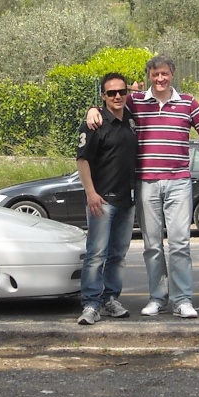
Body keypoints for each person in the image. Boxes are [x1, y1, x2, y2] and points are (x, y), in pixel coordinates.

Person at [87, 54, 199, 319]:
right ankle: (157, 298)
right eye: (155, 75)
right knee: (152, 246)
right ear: (149, 77)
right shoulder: (137, 101)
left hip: (178, 183)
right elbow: (111, 102)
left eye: (164, 74)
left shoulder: (188, 103)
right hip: (146, 183)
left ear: (172, 75)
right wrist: (92, 109)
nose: (160, 79)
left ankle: (182, 299)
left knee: (179, 243)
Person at [74, 72, 138, 326]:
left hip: (127, 200)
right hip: (102, 200)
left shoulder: (132, 121)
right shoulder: (94, 124)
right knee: (96, 254)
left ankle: (110, 299)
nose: (117, 96)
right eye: (111, 93)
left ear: (127, 93)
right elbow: (82, 160)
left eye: (121, 91)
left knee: (118, 255)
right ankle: (91, 304)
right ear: (103, 96)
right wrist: (90, 193)